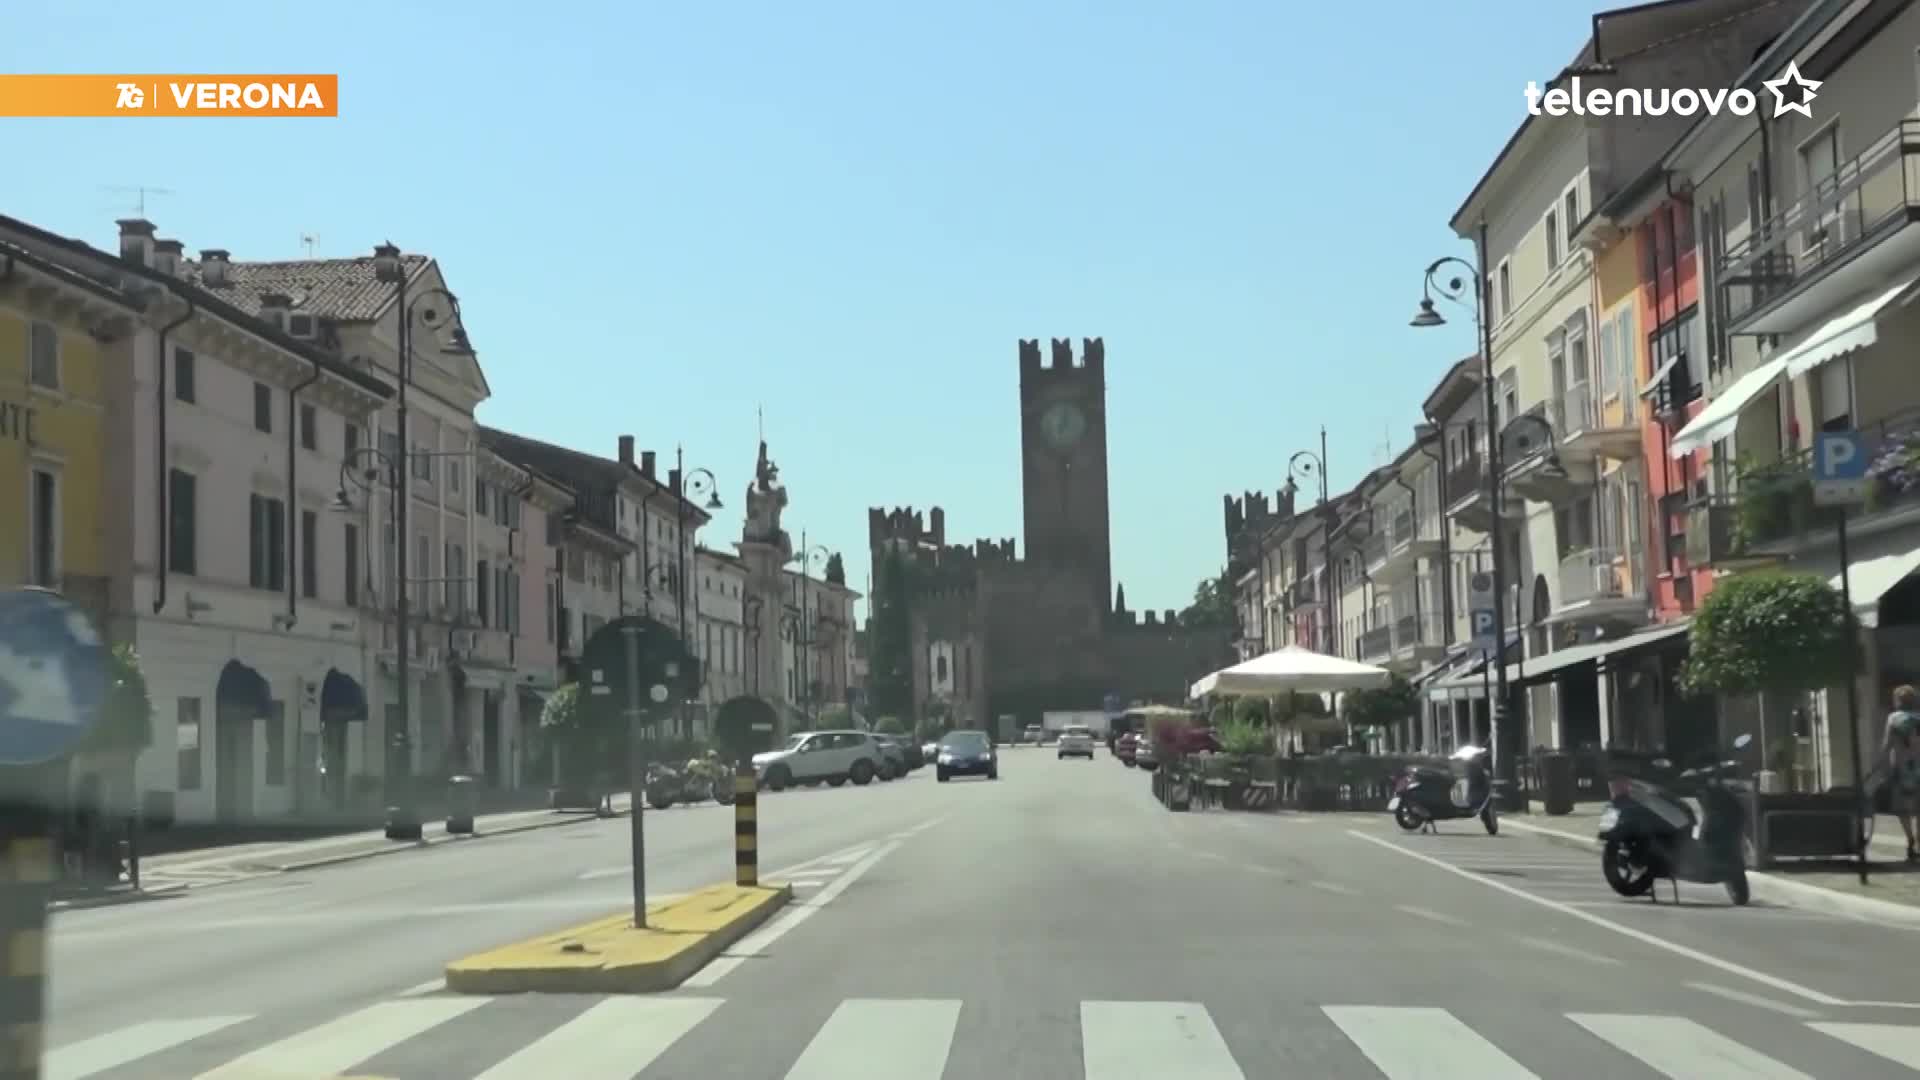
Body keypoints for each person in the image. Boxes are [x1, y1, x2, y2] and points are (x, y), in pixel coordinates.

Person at [1883, 685, 1920, 861]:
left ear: (1898, 701)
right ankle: (1919, 840)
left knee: (1902, 808)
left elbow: (1887, 744)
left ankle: (1910, 839)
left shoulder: (1893, 718)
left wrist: (1880, 764)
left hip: (1900, 768)